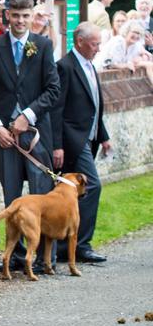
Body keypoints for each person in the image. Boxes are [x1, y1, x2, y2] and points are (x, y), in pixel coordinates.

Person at [0, 0, 60, 273]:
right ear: (7, 15)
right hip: (5, 139)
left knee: (40, 196)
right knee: (12, 199)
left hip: (35, 133)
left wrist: (27, 115)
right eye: (15, 15)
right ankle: (14, 257)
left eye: (25, 16)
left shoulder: (43, 45)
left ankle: (43, 259)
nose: (20, 21)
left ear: (31, 16)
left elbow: (53, 90)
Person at [52, 23, 111, 265]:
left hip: (89, 137)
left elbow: (93, 105)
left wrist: (104, 135)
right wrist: (58, 145)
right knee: (92, 186)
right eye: (95, 43)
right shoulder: (65, 67)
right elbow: (57, 109)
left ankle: (67, 245)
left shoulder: (89, 64)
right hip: (72, 140)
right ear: (80, 42)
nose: (98, 48)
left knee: (71, 194)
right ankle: (81, 245)